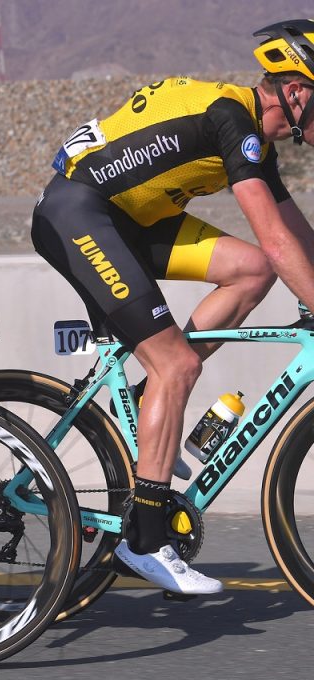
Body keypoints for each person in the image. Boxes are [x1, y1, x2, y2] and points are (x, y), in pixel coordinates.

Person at [31, 19, 314, 595]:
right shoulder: (234, 122)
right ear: (299, 91)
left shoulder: (246, 130)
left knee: (251, 270)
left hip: (128, 219)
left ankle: (144, 401)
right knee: (178, 365)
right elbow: (280, 239)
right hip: (79, 214)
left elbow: (291, 239)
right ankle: (146, 540)